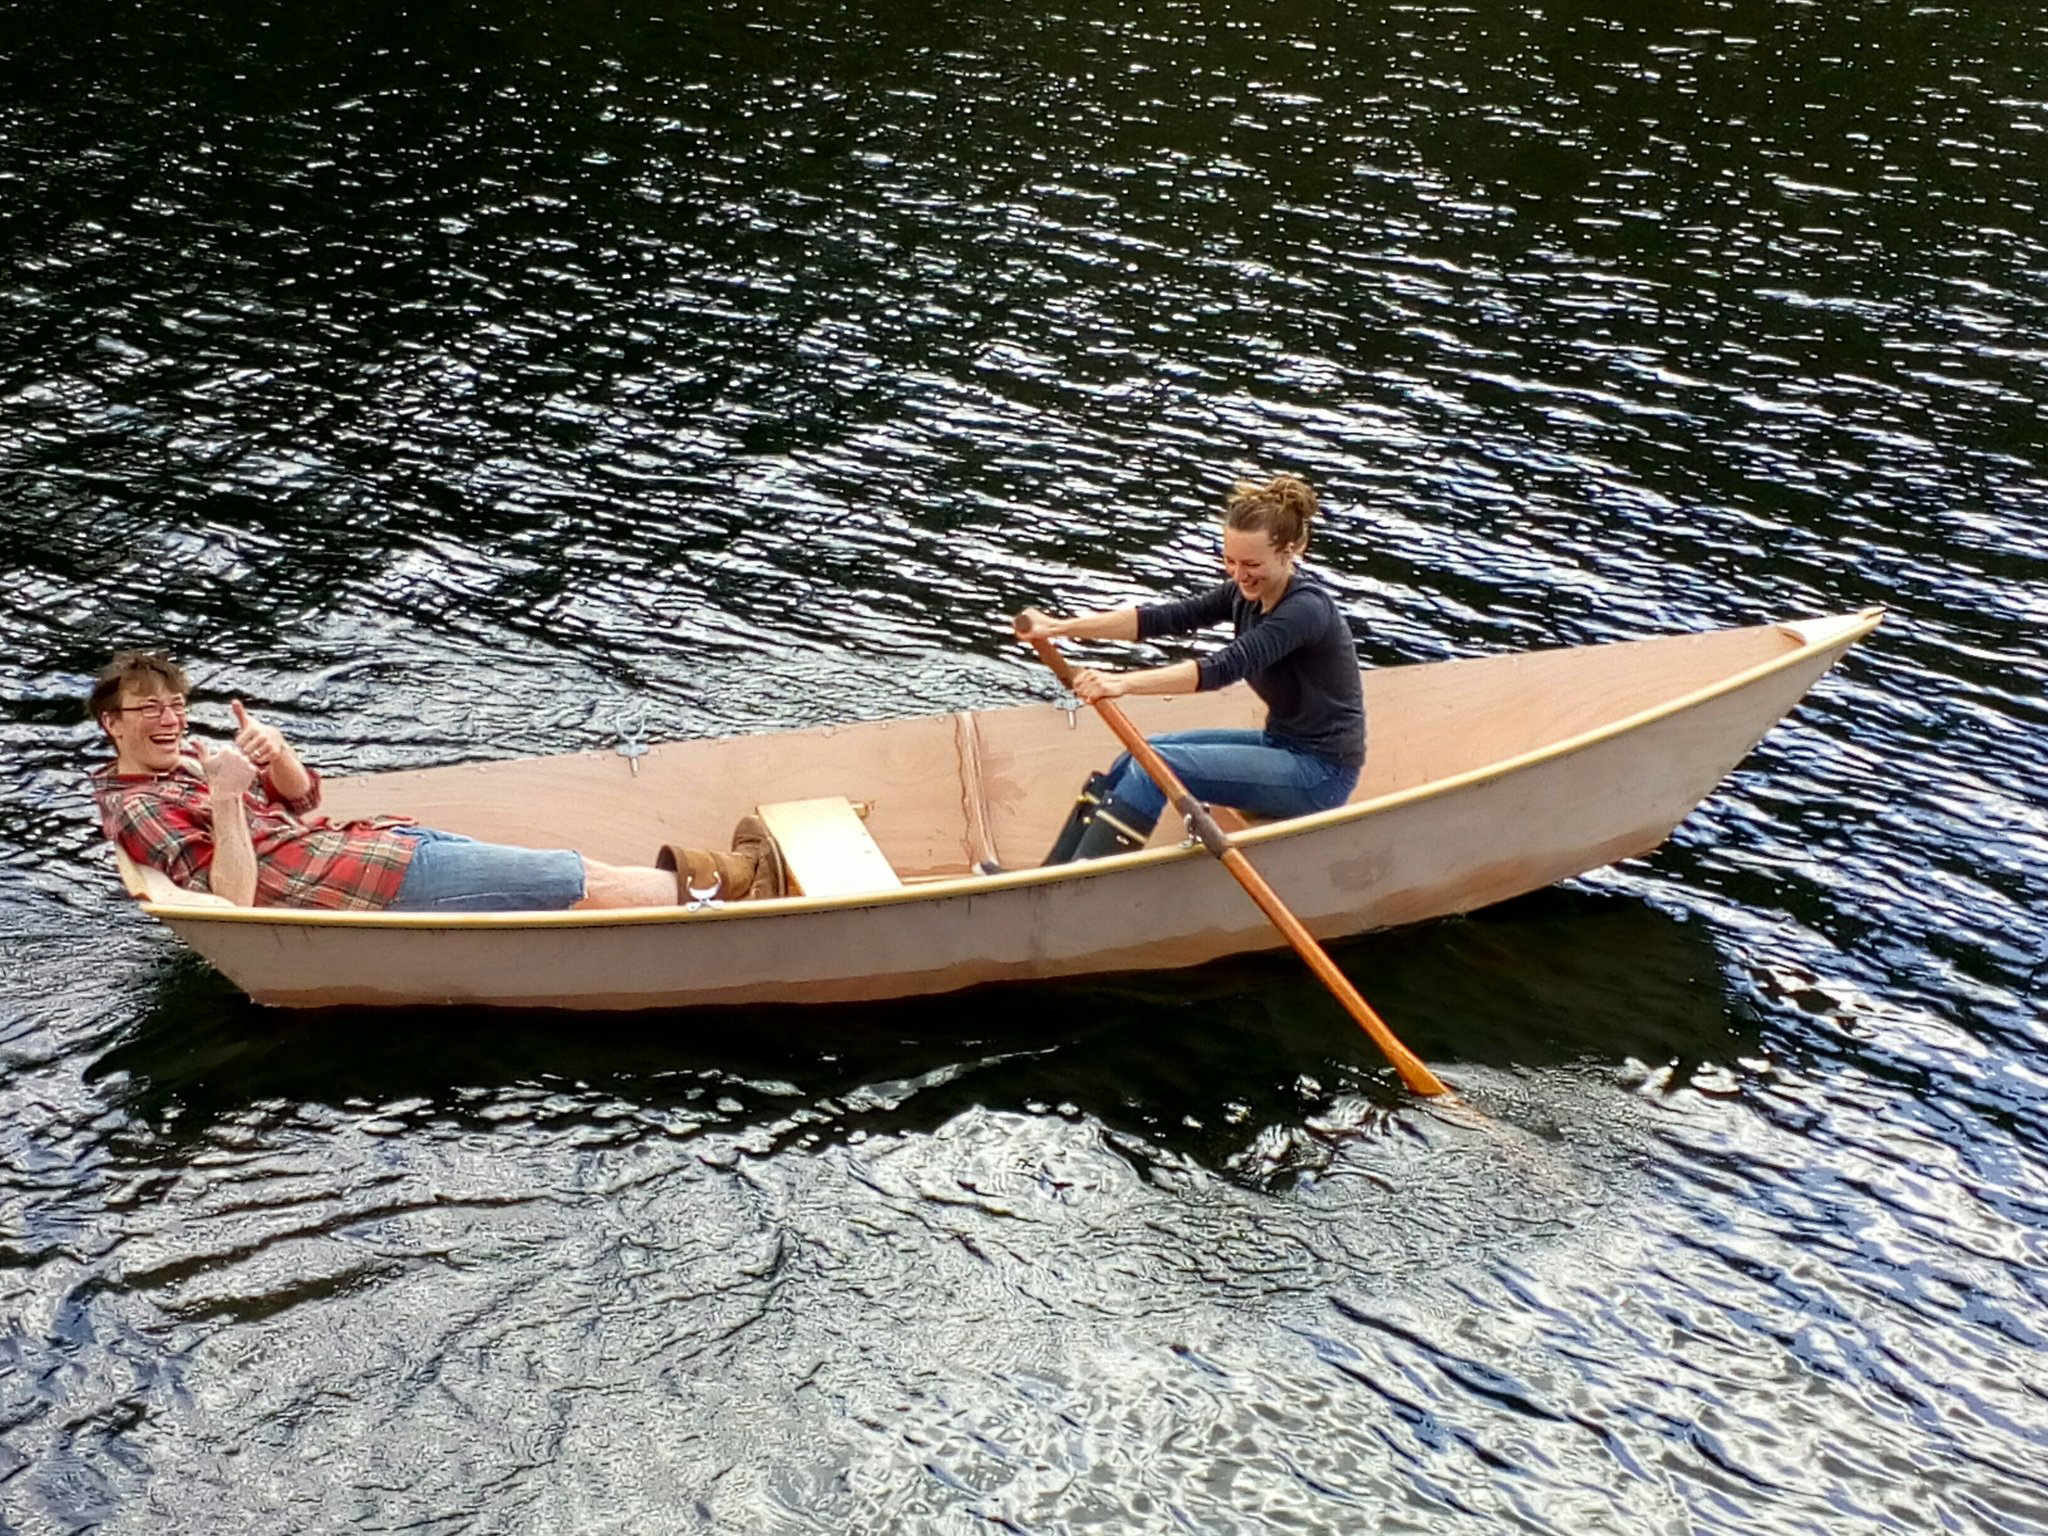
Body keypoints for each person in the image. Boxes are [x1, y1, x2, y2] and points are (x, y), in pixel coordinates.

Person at [87, 650, 783, 911]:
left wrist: (275, 754)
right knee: (571, 879)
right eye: (147, 707)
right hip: (370, 881)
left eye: (175, 702)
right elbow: (233, 898)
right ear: (112, 725)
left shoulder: (185, 764)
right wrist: (229, 796)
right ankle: (738, 888)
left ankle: (708, 890)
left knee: (565, 880)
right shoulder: (140, 806)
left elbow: (300, 801)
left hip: (374, 850)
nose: (168, 716)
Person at [1012, 473, 1365, 864]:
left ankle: (1080, 887)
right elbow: (1162, 618)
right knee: (1139, 754)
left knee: (1155, 766)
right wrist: (1060, 627)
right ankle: (1054, 873)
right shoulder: (1243, 594)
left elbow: (1222, 667)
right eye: (1230, 561)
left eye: (1251, 564)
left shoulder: (1305, 611)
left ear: (1290, 552)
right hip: (1280, 744)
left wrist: (1121, 683)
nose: (1238, 574)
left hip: (1320, 774)